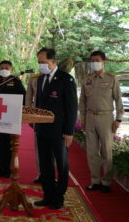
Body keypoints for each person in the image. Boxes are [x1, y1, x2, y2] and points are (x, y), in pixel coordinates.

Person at [33, 48, 77, 210]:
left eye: (43, 62)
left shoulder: (66, 79)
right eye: (39, 62)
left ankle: (59, 197)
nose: (41, 65)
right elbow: (39, 104)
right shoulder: (40, 79)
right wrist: (36, 124)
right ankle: (48, 195)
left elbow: (72, 108)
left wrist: (69, 132)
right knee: (45, 164)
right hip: (42, 129)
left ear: (53, 62)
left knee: (61, 165)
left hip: (59, 131)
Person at [79, 50, 123, 194]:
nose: (94, 63)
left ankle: (106, 182)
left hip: (106, 118)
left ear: (104, 62)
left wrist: (118, 119)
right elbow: (82, 101)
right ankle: (95, 181)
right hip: (90, 117)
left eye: (97, 60)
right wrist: (82, 118)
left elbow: (118, 100)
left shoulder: (111, 79)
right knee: (92, 152)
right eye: (92, 61)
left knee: (106, 151)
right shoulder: (87, 79)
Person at [0, 60, 26, 178]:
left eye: (6, 68)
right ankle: (2, 170)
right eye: (1, 68)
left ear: (11, 70)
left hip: (11, 117)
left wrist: (19, 112)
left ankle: (10, 170)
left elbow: (23, 97)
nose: (4, 70)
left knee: (10, 145)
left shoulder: (16, 81)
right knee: (0, 145)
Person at [24, 72, 45, 183]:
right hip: (37, 115)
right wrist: (29, 115)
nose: (43, 65)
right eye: (41, 63)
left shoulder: (59, 78)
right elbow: (28, 97)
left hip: (53, 117)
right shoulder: (34, 79)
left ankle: (51, 174)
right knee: (38, 146)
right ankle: (41, 173)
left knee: (53, 148)